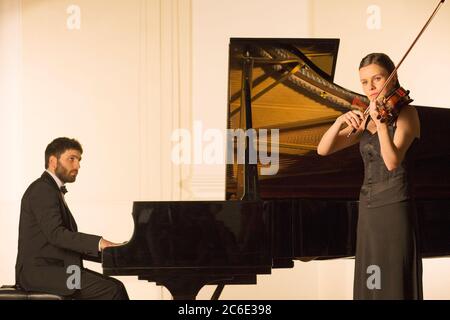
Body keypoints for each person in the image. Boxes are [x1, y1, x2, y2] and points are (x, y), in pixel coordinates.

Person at [317, 53, 422, 300]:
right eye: (364, 82)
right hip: (368, 208)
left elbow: (392, 161)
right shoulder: (367, 118)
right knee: (370, 280)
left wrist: (382, 124)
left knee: (393, 281)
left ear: (392, 76)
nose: (371, 87)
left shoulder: (407, 114)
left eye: (377, 78)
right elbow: (323, 149)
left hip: (395, 206)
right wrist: (339, 122)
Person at [15, 137, 129, 300]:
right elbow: (58, 235)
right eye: (72, 159)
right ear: (53, 161)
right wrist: (99, 243)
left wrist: (111, 251)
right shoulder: (42, 189)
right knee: (112, 290)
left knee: (115, 287)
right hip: (42, 273)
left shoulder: (51, 189)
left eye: (79, 160)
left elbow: (65, 242)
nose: (77, 165)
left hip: (59, 270)